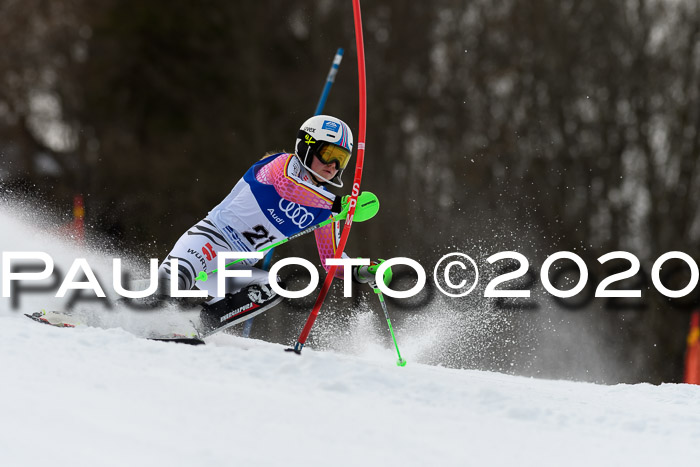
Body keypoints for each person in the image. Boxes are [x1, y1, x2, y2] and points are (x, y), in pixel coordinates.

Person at [158, 115, 391, 335]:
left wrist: (363, 271)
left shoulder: (325, 207)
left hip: (234, 266)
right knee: (171, 286)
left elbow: (332, 261)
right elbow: (287, 187)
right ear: (307, 146)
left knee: (272, 286)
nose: (333, 165)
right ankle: (144, 311)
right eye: (328, 153)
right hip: (210, 239)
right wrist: (340, 204)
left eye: (341, 160)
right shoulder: (281, 164)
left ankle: (195, 324)